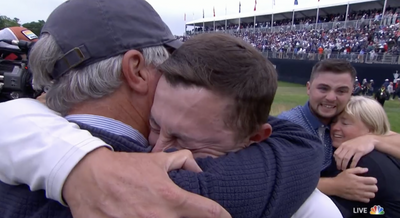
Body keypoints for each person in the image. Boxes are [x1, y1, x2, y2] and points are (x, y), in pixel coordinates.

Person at [0, 0, 330, 217]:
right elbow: (299, 145)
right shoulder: (174, 186)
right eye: (170, 58)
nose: (159, 147)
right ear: (138, 70)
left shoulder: (19, 153)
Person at [0, 1, 231, 218]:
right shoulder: (189, 178)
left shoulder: (14, 165)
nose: (174, 77)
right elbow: (267, 135)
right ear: (137, 70)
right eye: (170, 66)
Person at [278, 59, 400, 205]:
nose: (331, 97)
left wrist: (372, 139)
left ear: (351, 92)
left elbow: (391, 136)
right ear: (309, 88)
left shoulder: (343, 119)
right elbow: (274, 183)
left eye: (341, 91)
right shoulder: (288, 126)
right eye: (323, 88)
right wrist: (333, 185)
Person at [327, 96, 400, 217]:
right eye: (334, 121)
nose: (335, 128)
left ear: (370, 128)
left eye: (345, 123)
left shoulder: (361, 162)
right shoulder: (387, 148)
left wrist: (331, 185)